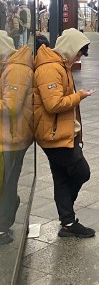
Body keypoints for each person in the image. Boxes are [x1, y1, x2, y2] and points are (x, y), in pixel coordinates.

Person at [34, 28, 95, 238]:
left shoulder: (61, 65)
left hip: (59, 131)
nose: (79, 57)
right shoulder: (51, 68)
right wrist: (79, 96)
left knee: (61, 178)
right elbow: (53, 104)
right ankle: (67, 218)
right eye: (78, 53)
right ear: (70, 48)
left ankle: (68, 222)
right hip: (55, 135)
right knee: (81, 172)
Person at [0, 30, 33, 245]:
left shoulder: (16, 70)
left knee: (6, 185)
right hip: (9, 136)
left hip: (11, 139)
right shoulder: (10, 67)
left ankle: (2, 227)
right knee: (6, 184)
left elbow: (10, 106)